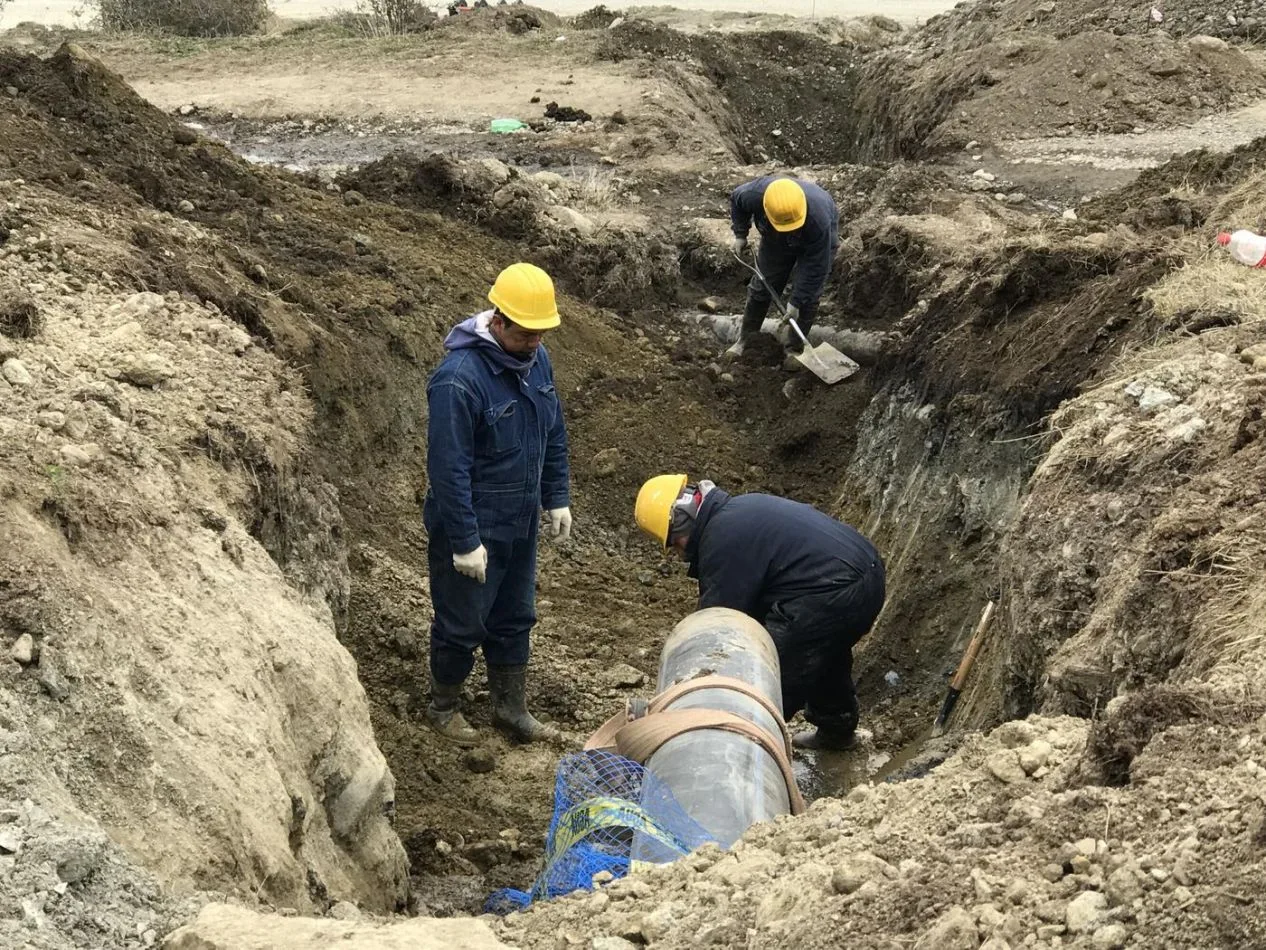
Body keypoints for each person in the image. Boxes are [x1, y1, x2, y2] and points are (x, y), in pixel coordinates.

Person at [423, 262, 572, 746]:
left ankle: (510, 709)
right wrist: (465, 541)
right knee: (464, 619)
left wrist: (556, 496)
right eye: (526, 334)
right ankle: (443, 708)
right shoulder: (458, 381)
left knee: (514, 615)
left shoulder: (535, 361)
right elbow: (449, 469)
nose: (536, 343)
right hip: (475, 521)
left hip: (520, 518)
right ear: (499, 320)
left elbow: (553, 431)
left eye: (542, 334)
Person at [634, 474, 885, 750]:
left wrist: (694, 685)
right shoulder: (739, 511)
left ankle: (744, 748)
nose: (678, 553)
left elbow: (718, 623)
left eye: (673, 543)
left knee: (774, 668)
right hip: (866, 574)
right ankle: (836, 725)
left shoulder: (721, 540)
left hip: (836, 590)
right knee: (820, 648)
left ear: (682, 522)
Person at [726, 175, 839, 370]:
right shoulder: (753, 194)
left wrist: (796, 301)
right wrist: (740, 234)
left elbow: (816, 268)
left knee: (808, 297)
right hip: (774, 237)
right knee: (762, 286)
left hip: (812, 236)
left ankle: (794, 348)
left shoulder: (819, 221)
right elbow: (736, 201)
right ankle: (745, 340)